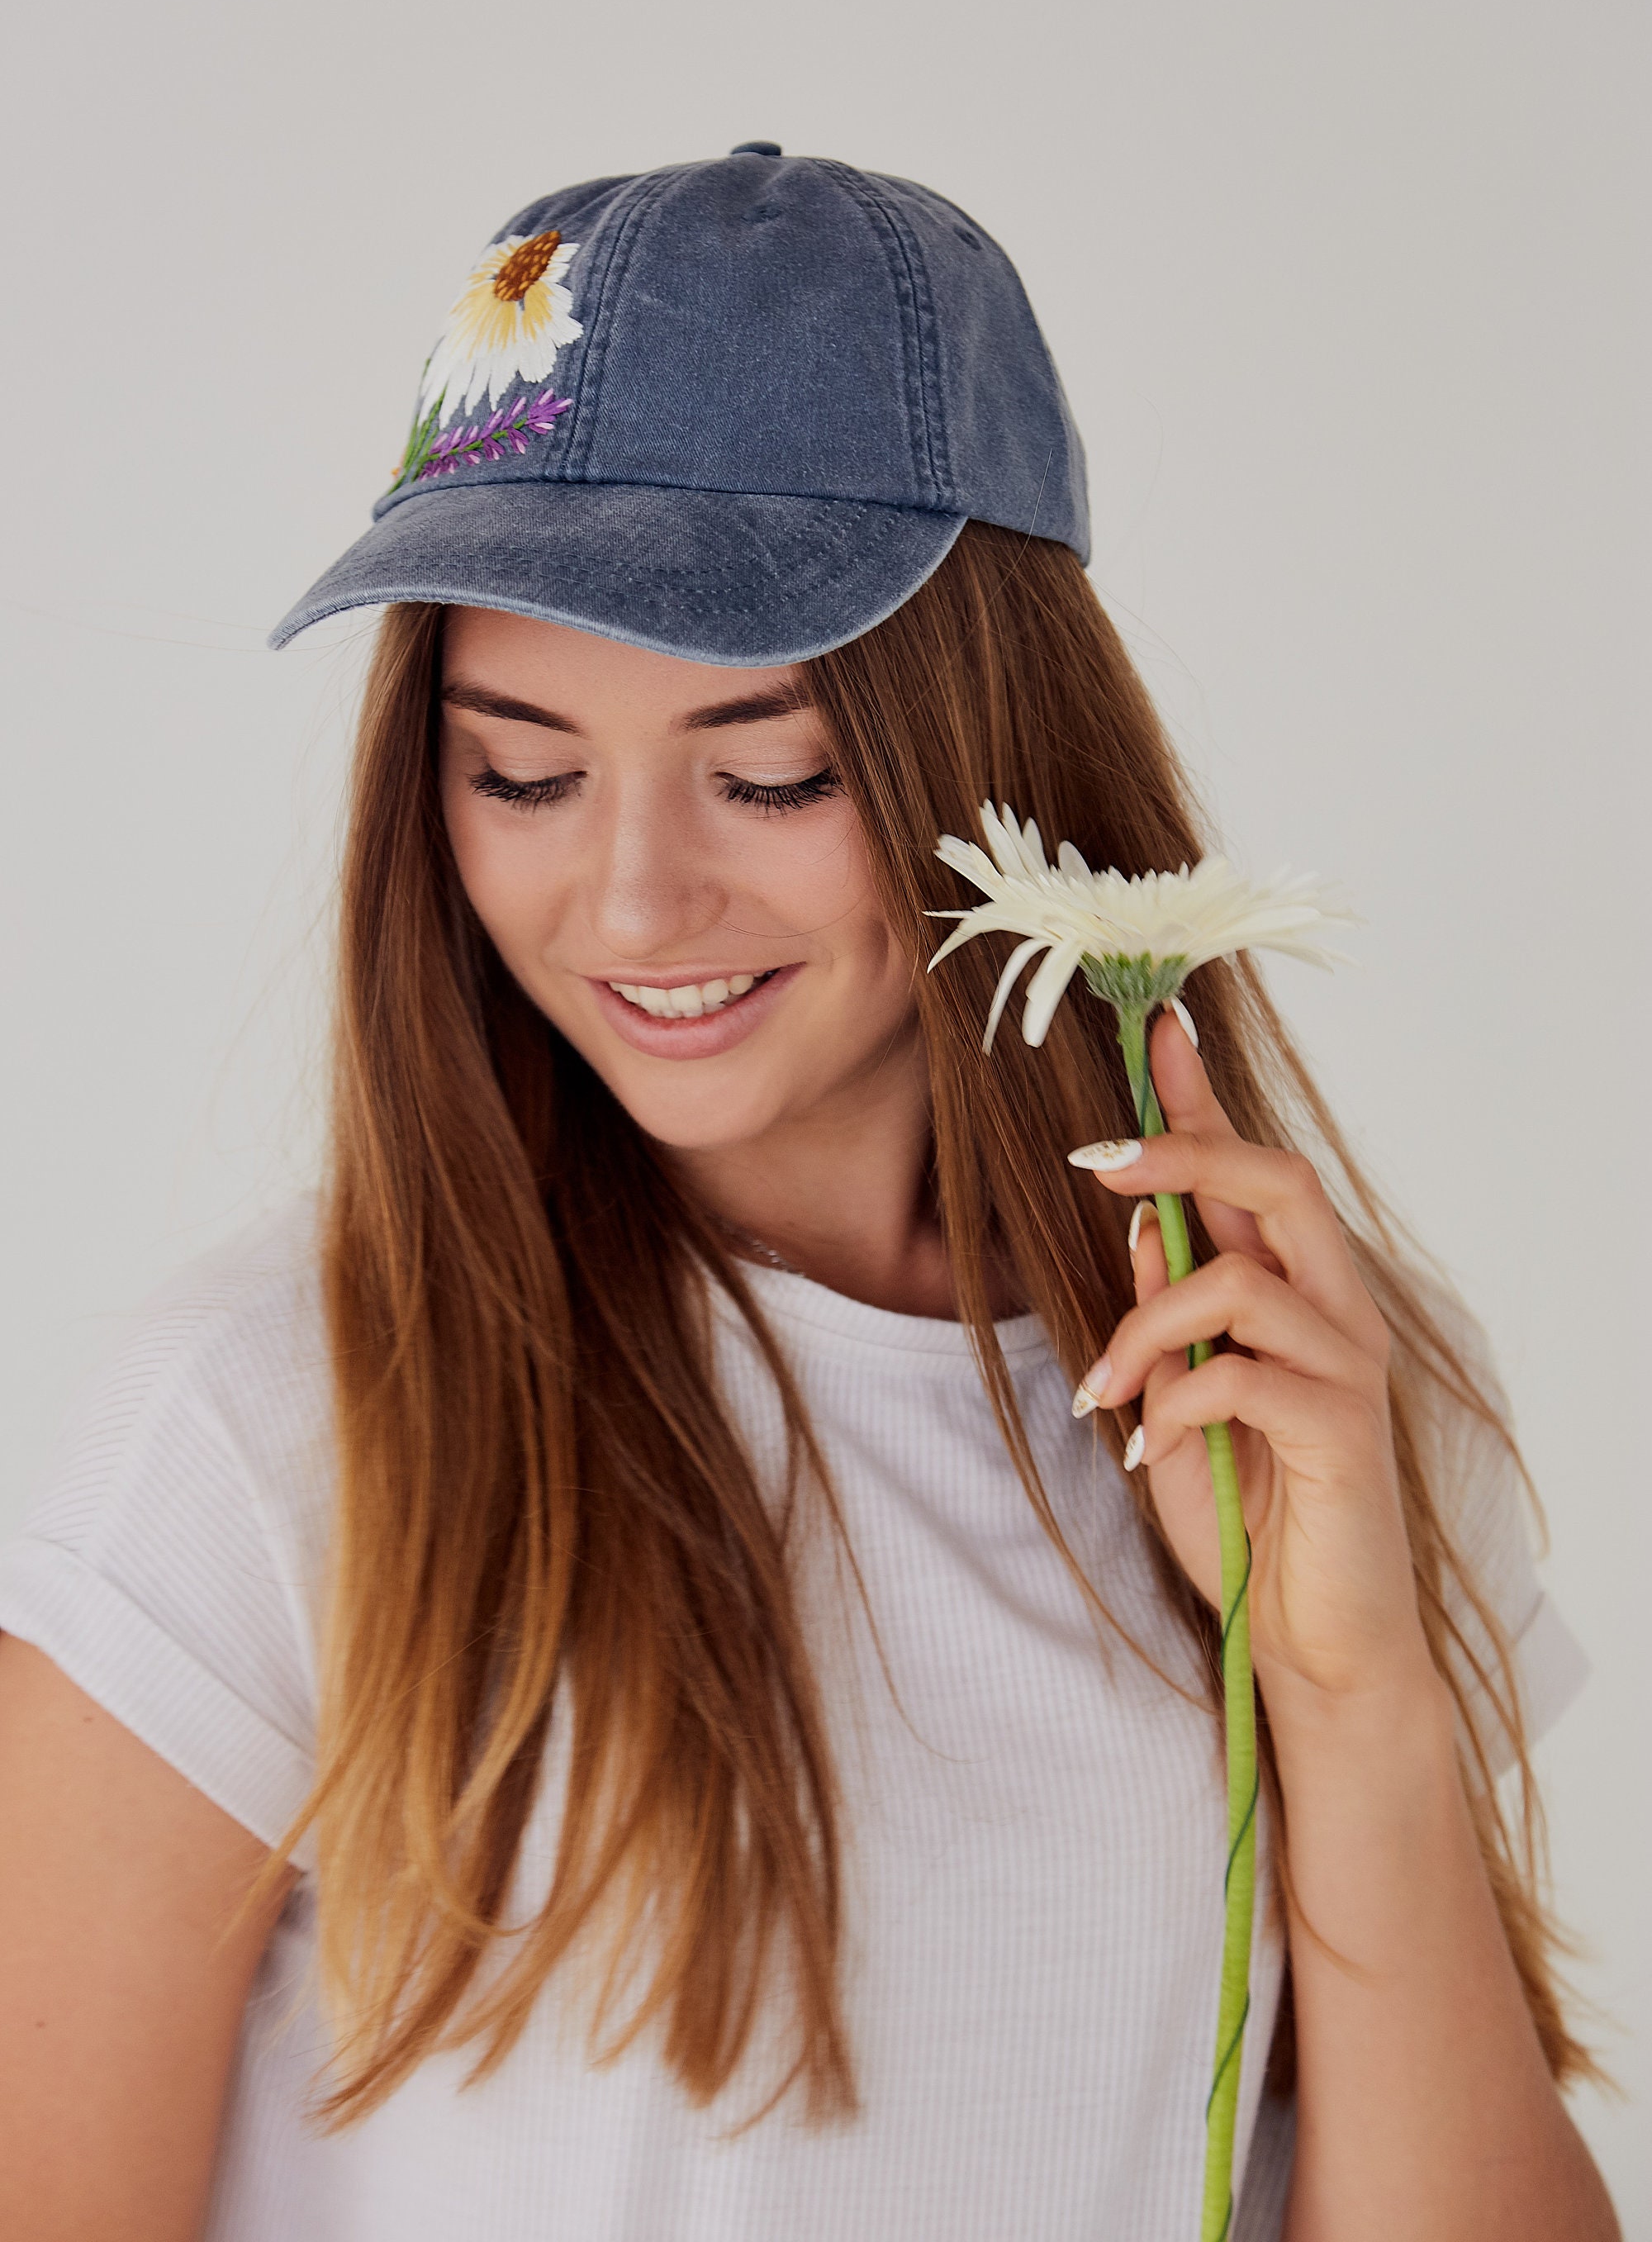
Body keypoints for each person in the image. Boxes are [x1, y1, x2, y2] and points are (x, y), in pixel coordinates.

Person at [0, 145, 1617, 2242]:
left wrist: (1353, 1703)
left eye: (769, 773)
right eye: (521, 769)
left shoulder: (1284, 1386)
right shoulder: (271, 1432)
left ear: (991, 741)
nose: (636, 895)